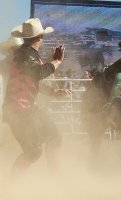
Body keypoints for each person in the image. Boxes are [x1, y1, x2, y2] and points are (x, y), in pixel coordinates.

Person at [2, 18, 67, 177]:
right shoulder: (25, 54)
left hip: (25, 108)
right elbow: (37, 73)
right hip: (20, 110)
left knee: (53, 139)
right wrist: (57, 62)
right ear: (40, 37)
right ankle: (11, 186)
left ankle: (57, 178)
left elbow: (31, 78)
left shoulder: (24, 55)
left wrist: (52, 92)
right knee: (34, 151)